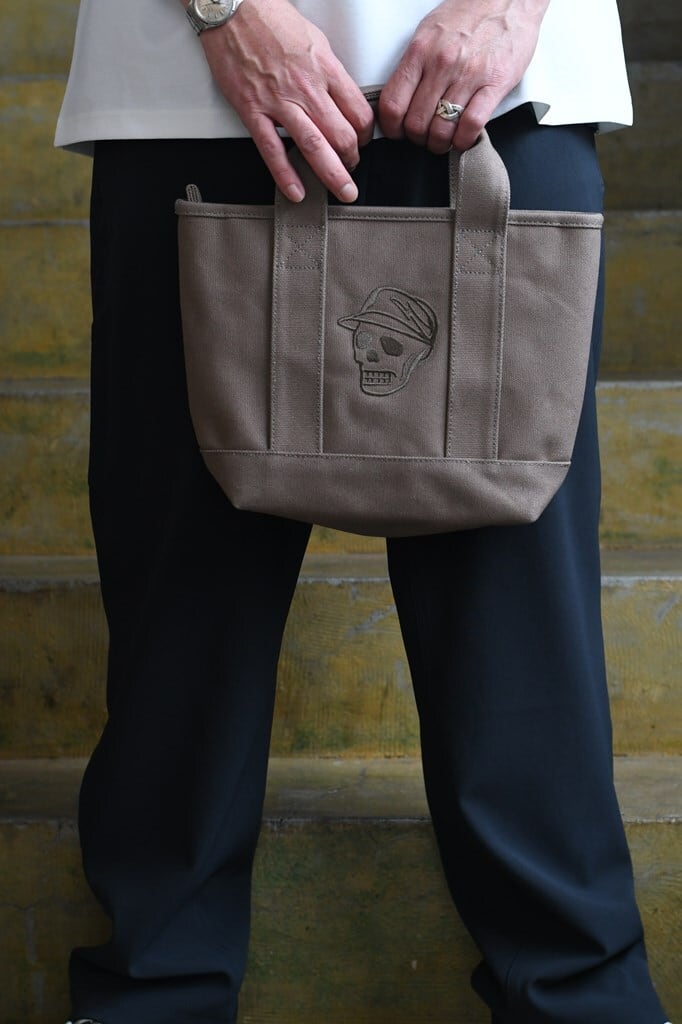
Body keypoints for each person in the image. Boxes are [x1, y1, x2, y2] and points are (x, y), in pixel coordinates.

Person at [55, 1, 670, 1022]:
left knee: (522, 658)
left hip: (502, 88)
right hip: (192, 95)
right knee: (180, 648)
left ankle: (582, 1003)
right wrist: (225, 9)